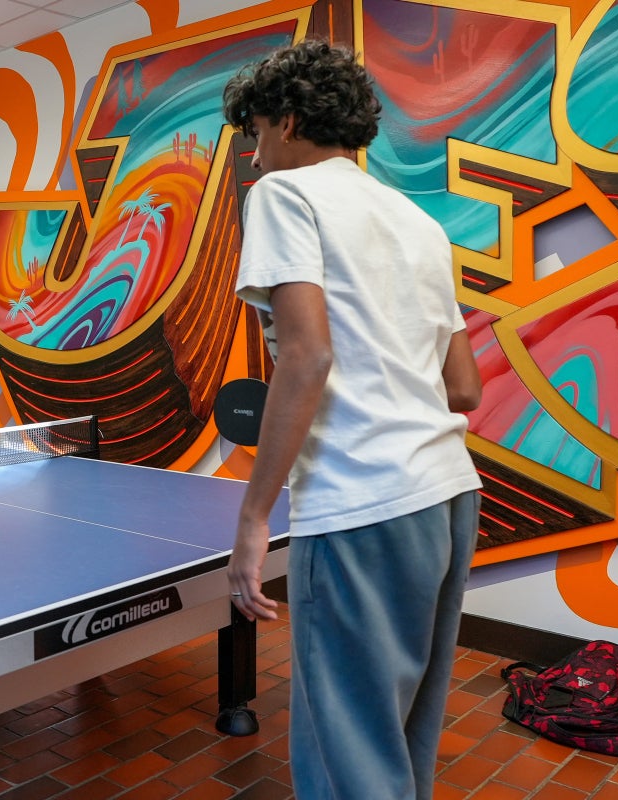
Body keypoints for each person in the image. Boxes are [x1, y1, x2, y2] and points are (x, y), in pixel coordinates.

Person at [221, 41, 483, 800]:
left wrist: (253, 520)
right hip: (447, 494)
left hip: (363, 501)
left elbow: (306, 358)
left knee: (348, 756)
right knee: (402, 737)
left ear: (291, 122)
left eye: (260, 135)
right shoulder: (417, 224)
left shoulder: (284, 196)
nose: (258, 157)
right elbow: (462, 387)